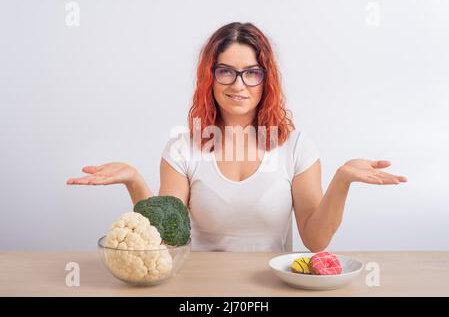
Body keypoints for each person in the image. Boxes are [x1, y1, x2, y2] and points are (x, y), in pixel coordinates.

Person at [66, 22, 408, 252]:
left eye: (251, 73)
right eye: (226, 71)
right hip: (199, 291)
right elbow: (168, 238)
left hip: (274, 288)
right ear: (210, 78)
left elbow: (316, 240)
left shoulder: (296, 146)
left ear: (266, 79)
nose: (238, 85)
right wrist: (134, 182)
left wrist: (343, 179)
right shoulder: (182, 149)